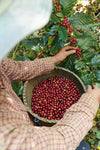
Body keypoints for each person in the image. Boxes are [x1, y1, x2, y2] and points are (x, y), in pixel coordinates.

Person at [0, 0, 100, 150]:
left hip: (31, 124)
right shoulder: (5, 139)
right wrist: (89, 103)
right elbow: (59, 143)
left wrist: (52, 60)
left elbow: (13, 68)